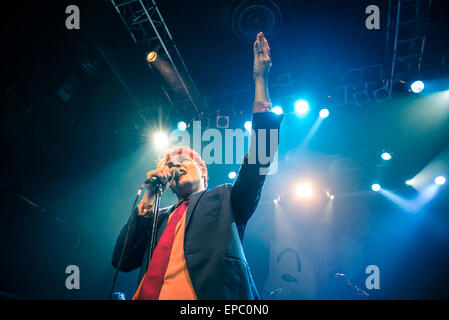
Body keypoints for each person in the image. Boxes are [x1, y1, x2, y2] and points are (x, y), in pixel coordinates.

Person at [112, 32, 283, 299]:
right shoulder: (157, 218)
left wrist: (260, 80)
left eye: (181, 160)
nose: (173, 164)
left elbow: (260, 157)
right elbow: (122, 262)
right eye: (168, 163)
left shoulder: (226, 198)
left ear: (203, 171)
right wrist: (147, 195)